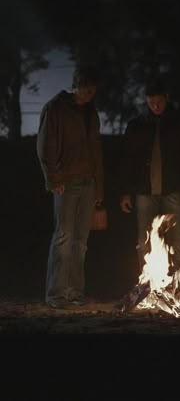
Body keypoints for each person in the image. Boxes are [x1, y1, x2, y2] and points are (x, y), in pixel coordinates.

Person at [120, 79, 180, 290]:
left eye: (159, 101)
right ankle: (149, 288)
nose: (155, 105)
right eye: (151, 101)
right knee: (145, 241)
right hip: (144, 191)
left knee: (177, 240)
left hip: (172, 189)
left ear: (166, 99)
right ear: (146, 101)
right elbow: (128, 160)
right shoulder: (137, 126)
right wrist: (126, 192)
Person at [37, 66, 104, 309]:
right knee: (63, 237)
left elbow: (96, 152)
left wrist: (99, 189)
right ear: (76, 85)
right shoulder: (56, 108)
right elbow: (46, 145)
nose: (89, 94)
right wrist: (54, 179)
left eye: (93, 90)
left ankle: (75, 292)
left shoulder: (90, 113)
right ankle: (56, 294)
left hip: (88, 183)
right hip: (66, 183)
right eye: (86, 89)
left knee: (81, 240)